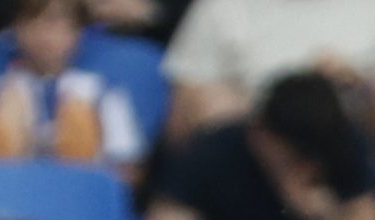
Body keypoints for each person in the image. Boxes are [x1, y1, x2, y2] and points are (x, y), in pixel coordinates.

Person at [131, 72, 375, 220]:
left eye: (312, 157)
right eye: (292, 155)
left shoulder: (346, 148)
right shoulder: (212, 153)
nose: (306, 168)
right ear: (260, 133)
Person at [0, 0, 147, 171]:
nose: (44, 35)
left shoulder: (103, 93)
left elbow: (127, 164)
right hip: (10, 198)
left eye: (55, 23)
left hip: (80, 197)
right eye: (32, 21)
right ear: (15, 27)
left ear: (78, 30)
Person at [160, 0, 375, 140]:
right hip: (254, 166)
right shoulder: (222, 7)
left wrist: (358, 87)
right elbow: (181, 126)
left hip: (356, 157)